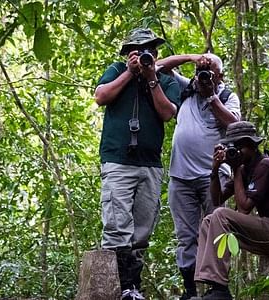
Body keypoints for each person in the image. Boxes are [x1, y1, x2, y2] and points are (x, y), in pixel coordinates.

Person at [94, 28, 181, 300]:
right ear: (129, 53)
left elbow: (168, 113)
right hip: (118, 161)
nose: (146, 55)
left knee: (142, 229)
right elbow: (101, 96)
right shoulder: (117, 70)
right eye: (139, 50)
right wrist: (130, 73)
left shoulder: (166, 80)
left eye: (151, 50)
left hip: (150, 165)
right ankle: (117, 289)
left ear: (156, 54)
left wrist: (152, 77)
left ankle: (132, 288)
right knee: (117, 226)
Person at [157, 54, 241, 299]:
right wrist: (193, 58)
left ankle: (218, 289)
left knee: (216, 230)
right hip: (180, 177)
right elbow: (159, 67)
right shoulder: (187, 88)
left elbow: (234, 124)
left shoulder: (227, 96)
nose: (203, 75)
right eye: (200, 71)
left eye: (209, 71)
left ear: (220, 76)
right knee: (185, 235)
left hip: (212, 177)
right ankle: (190, 291)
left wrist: (211, 96)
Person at [194, 121, 269, 300]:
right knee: (209, 220)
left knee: (221, 215)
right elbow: (217, 199)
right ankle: (215, 286)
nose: (235, 151)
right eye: (232, 146)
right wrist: (215, 170)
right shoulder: (247, 169)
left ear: (252, 145)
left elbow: (244, 208)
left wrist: (236, 169)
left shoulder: (265, 166)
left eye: (239, 146)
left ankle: (220, 286)